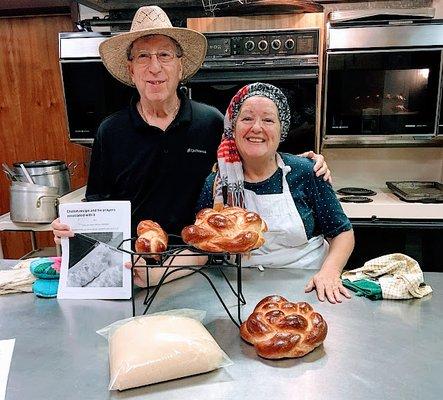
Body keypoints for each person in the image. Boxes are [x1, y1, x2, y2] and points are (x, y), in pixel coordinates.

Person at [52, 6, 330, 286]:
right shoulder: (110, 132)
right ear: (131, 69)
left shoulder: (211, 122)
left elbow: (253, 158)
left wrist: (302, 162)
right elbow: (98, 210)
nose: (155, 67)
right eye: (143, 57)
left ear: (180, 66)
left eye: (164, 55)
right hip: (132, 267)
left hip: (200, 266)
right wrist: (73, 230)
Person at [196, 83, 355, 304]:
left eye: (268, 120)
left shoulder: (306, 172)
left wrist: (330, 272)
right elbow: (201, 246)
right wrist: (156, 271)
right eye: (247, 118)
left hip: (309, 286)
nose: (257, 128)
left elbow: (342, 233)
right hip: (238, 291)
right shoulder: (217, 183)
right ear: (233, 127)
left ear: (282, 130)